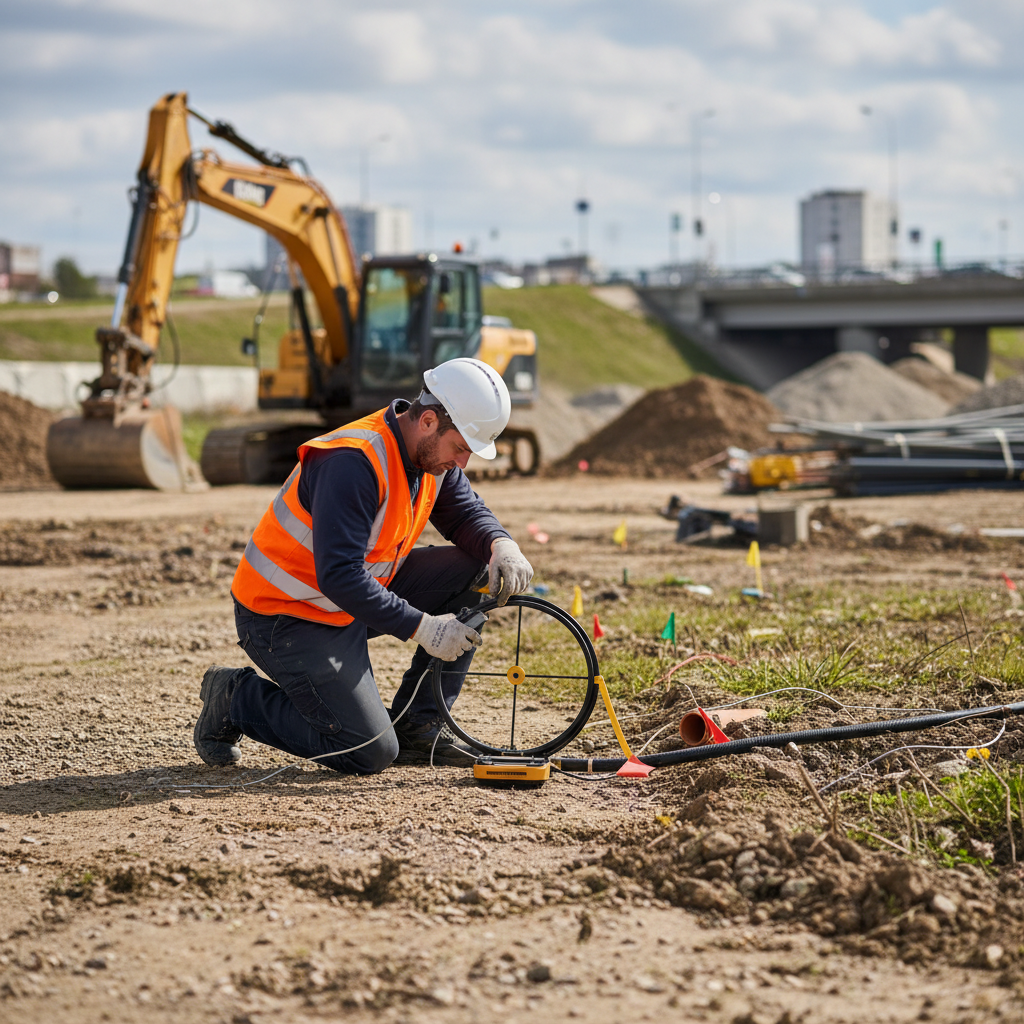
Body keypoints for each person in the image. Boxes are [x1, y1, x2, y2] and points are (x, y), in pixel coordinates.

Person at [193, 358, 534, 773]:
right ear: (428, 421)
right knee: (368, 749)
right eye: (461, 448)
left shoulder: (429, 458)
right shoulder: (352, 461)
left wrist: (501, 545)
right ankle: (234, 698)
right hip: (286, 615)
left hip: (348, 600)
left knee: (479, 570)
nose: (462, 462)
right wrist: (425, 628)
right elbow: (339, 574)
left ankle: (419, 728)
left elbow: (464, 515)